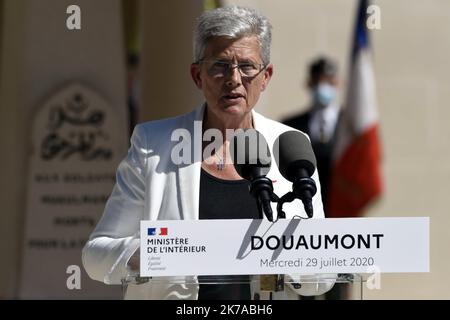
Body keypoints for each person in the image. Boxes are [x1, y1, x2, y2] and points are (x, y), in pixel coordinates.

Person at [82, 6, 328, 300]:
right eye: (219, 66)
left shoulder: (291, 146)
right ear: (197, 76)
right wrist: (157, 253)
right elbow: (96, 255)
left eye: (247, 66)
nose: (234, 79)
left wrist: (288, 260)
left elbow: (322, 276)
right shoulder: (153, 144)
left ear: (266, 76)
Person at [283, 56, 341, 214]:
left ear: (338, 82)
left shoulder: (350, 125)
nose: (322, 87)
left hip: (343, 207)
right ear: (309, 83)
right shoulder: (290, 125)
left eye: (328, 81)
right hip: (304, 208)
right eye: (317, 81)